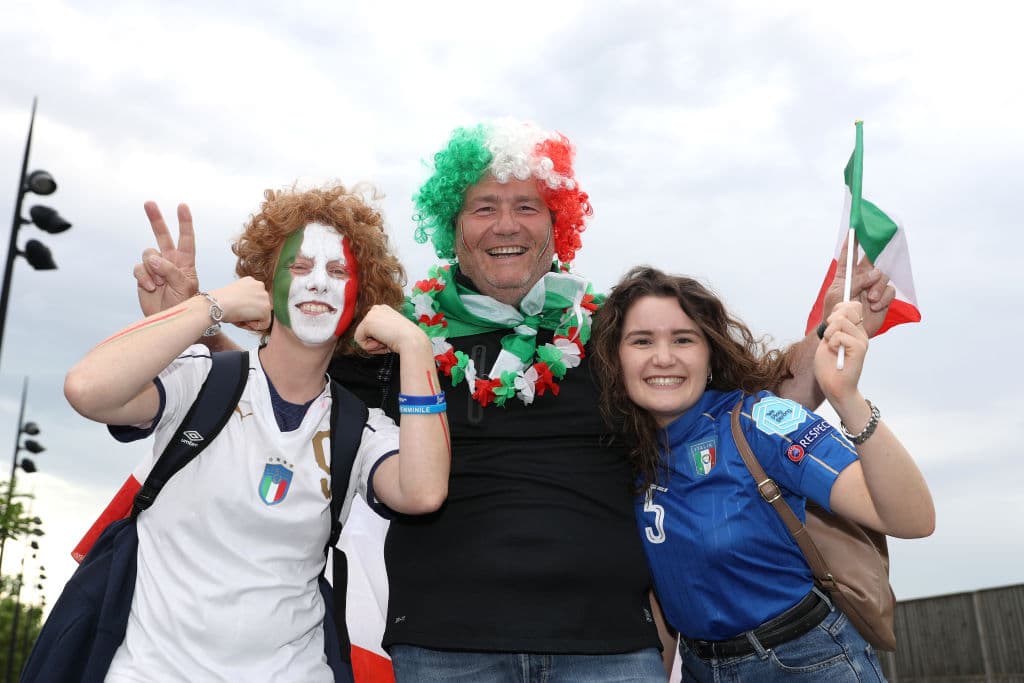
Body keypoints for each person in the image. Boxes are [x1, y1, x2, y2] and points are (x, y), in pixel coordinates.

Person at [133, 119, 896, 683]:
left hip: (609, 648)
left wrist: (836, 324)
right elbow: (282, 389)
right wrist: (187, 313)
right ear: (453, 228)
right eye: (484, 207)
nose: (505, 224)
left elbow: (746, 410)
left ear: (558, 226)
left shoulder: (618, 332)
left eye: (527, 206)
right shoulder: (397, 339)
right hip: (444, 647)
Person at [65, 185, 450, 683]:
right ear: (265, 282)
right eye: (299, 267)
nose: (318, 284)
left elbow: (422, 492)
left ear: (361, 297)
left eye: (338, 271)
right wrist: (205, 308)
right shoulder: (199, 378)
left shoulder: (361, 427)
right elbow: (86, 389)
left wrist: (417, 347)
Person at [589, 266, 935, 682]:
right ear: (615, 358)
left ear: (710, 354)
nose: (664, 357)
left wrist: (848, 398)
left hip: (807, 661)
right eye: (642, 341)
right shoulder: (625, 459)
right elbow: (660, 601)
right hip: (701, 670)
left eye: (683, 339)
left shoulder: (760, 421)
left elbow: (912, 520)